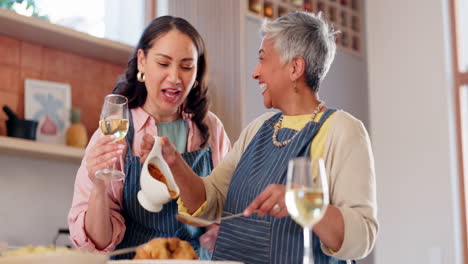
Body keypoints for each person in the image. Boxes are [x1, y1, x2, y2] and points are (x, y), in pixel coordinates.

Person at [142, 12, 378, 263]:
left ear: (295, 68)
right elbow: (209, 202)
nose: (255, 73)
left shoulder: (342, 130)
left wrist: (304, 204)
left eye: (262, 59)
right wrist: (174, 162)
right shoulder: (258, 128)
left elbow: (362, 237)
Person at [67, 16, 231, 259]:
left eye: (186, 66)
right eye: (164, 63)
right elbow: (98, 243)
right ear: (142, 61)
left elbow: (226, 212)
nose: (175, 77)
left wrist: (219, 232)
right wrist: (99, 185)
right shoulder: (115, 131)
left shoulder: (210, 128)